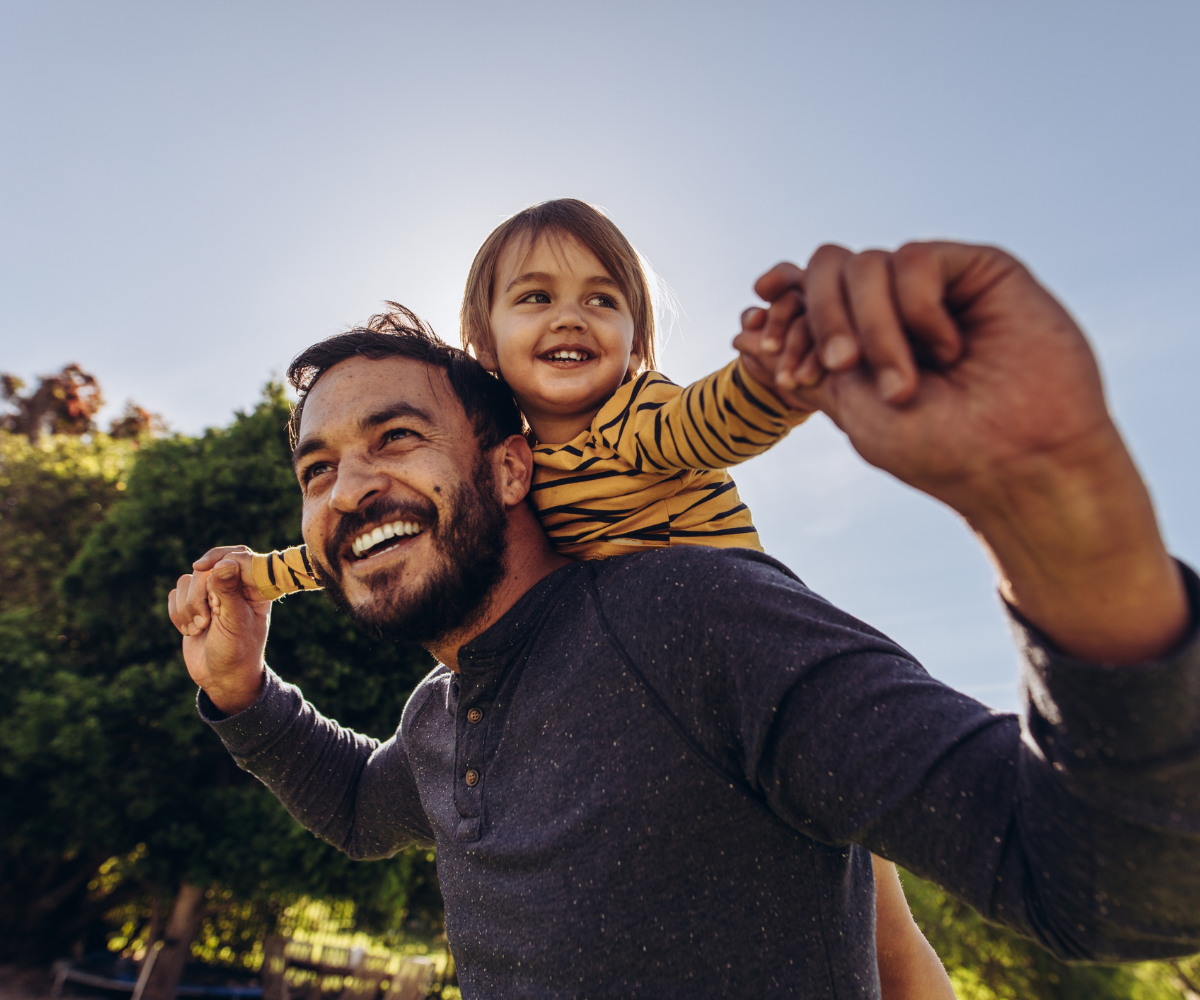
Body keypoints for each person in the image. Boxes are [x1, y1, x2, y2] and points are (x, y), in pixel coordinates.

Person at [170, 239, 1200, 999]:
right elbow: (356, 806)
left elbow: (1113, 886)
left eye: (397, 437)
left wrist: (1065, 505)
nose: (350, 488)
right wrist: (239, 690)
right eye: (318, 470)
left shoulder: (691, 615)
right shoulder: (440, 717)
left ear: (510, 465)